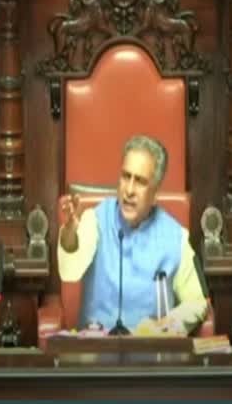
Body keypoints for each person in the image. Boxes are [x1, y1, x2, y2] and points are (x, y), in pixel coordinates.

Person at [58, 135, 207, 334]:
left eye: (140, 182)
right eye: (125, 176)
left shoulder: (175, 237)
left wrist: (166, 326)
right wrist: (69, 232)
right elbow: (71, 265)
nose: (129, 190)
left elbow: (197, 303)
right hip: (96, 353)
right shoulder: (95, 219)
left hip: (150, 356)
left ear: (155, 194)